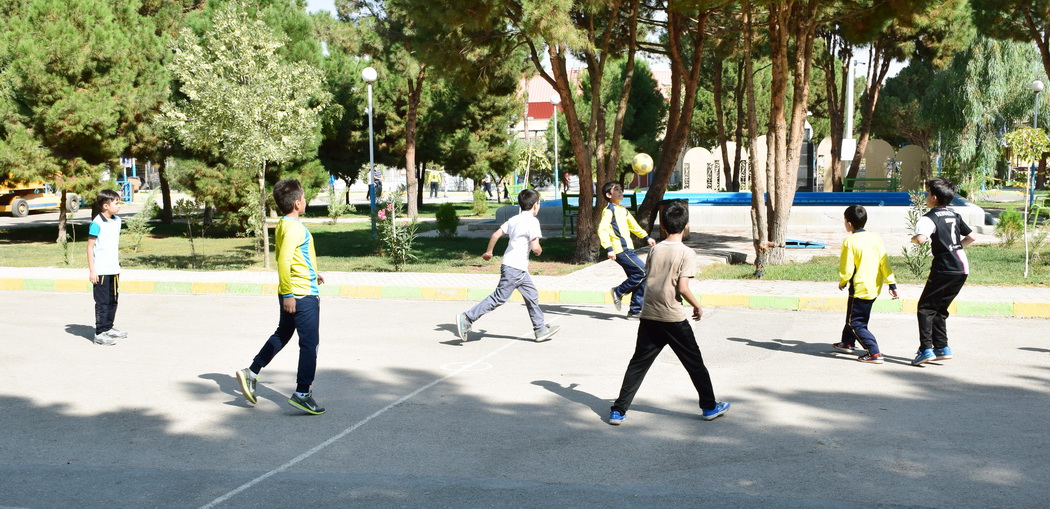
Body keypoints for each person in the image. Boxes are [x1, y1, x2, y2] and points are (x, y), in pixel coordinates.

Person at [608, 200, 729, 425]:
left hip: (649, 315)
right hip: (673, 318)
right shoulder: (687, 253)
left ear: (662, 227)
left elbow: (650, 276)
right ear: (686, 226)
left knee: (638, 364)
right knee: (695, 363)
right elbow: (682, 288)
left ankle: (618, 410)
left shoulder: (654, 249)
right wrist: (697, 305)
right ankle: (710, 406)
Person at [236, 179, 327, 415]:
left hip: (296, 289)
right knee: (309, 345)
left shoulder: (285, 224)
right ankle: (302, 393)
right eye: (304, 198)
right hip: (300, 295)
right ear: (297, 203)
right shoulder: (296, 228)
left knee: (283, 334)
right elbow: (284, 260)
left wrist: (312, 273)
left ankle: (252, 372)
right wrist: (289, 294)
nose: (306, 201)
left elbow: (293, 257)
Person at [456, 188, 560, 343]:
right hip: (515, 268)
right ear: (536, 205)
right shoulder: (532, 221)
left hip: (516, 267)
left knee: (532, 295)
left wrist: (489, 252)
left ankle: (540, 329)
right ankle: (467, 317)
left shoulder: (514, 219)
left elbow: (496, 234)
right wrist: (538, 251)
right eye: (539, 203)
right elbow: (535, 246)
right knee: (499, 298)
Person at [911, 177, 976, 366]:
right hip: (962, 268)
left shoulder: (928, 217)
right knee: (939, 308)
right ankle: (942, 347)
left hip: (944, 268)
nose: (926, 196)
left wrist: (914, 239)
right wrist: (955, 247)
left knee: (925, 308)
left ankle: (926, 349)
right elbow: (971, 237)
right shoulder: (954, 215)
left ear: (933, 197)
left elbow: (922, 239)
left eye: (927, 193)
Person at [832, 205, 899, 364]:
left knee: (855, 322)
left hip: (859, 287)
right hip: (874, 286)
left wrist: (843, 281)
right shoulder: (875, 238)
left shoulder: (850, 242)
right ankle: (848, 342)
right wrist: (892, 284)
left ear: (848, 223)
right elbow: (885, 262)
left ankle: (874, 352)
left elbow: (847, 268)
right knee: (854, 315)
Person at [598, 181, 655, 318]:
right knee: (643, 271)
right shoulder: (609, 211)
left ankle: (635, 311)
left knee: (641, 277)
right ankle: (618, 291)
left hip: (628, 249)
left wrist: (646, 237)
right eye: (616, 189)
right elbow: (602, 229)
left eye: (620, 189)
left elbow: (634, 226)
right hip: (619, 249)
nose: (620, 191)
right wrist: (608, 248)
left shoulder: (623, 210)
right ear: (608, 194)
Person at [86, 189, 126, 346]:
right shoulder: (96, 223)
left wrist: (117, 265)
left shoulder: (117, 221)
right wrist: (92, 270)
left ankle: (109, 328)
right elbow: (90, 248)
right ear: (105, 206)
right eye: (116, 203)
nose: (119, 206)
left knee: (113, 300)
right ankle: (100, 332)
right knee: (102, 302)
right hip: (101, 270)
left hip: (113, 269)